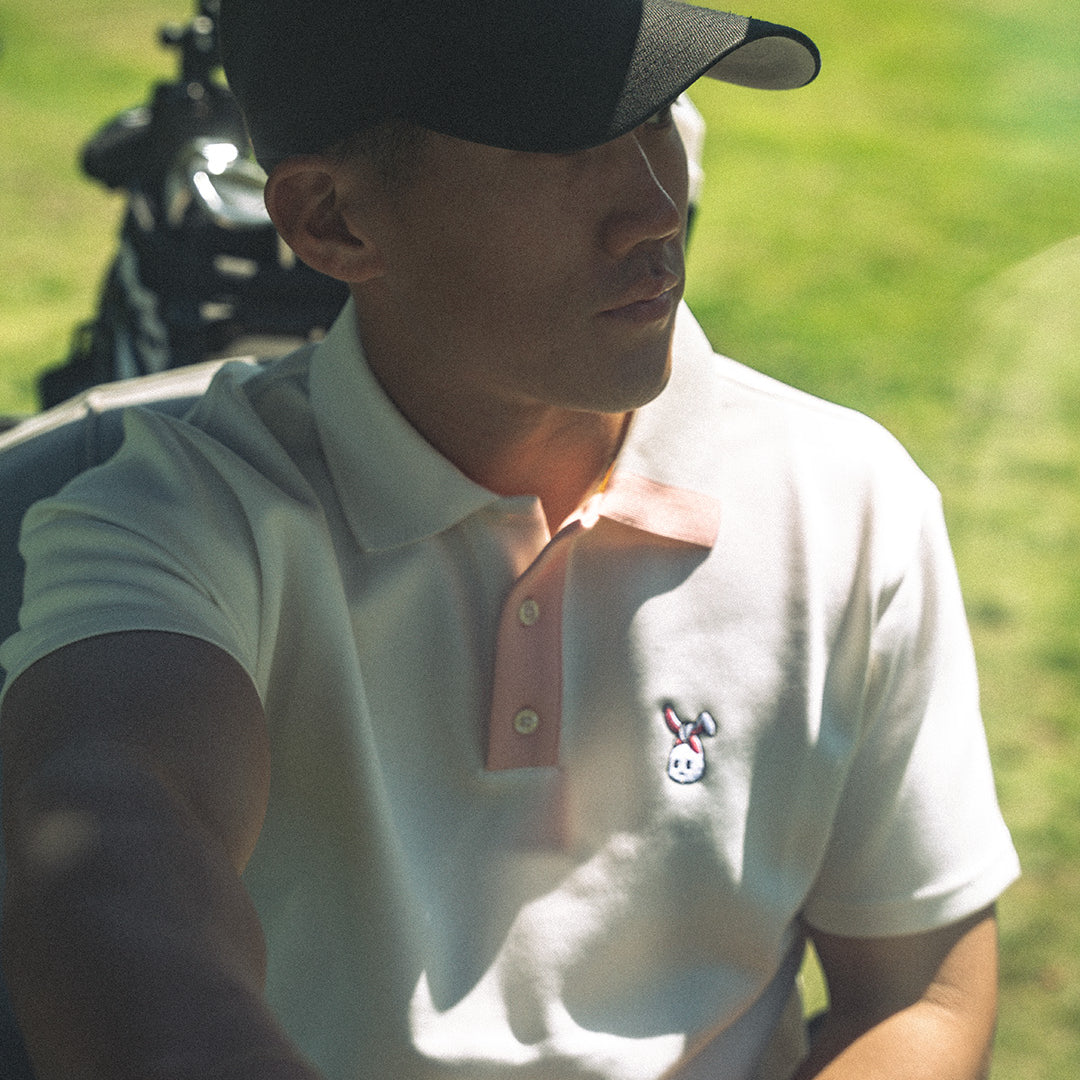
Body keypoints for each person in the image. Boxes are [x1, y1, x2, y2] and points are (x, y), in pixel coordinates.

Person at [0, 2, 1020, 1079]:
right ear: (333, 221)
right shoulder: (174, 513)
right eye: (569, 144)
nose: (657, 205)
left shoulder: (847, 498)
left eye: (662, 113)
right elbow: (106, 857)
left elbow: (922, 997)